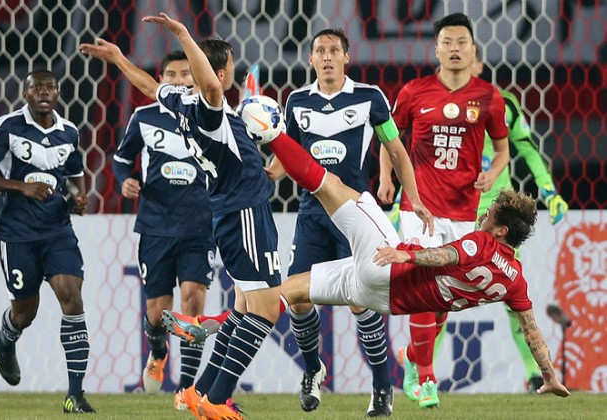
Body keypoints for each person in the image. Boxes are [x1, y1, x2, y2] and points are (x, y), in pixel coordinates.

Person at [166, 130, 571, 404]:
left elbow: (446, 255)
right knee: (282, 295)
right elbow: (531, 329)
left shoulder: (483, 243)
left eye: (490, 216)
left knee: (334, 187)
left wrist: (407, 254)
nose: (482, 219)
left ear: (500, 229)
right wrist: (550, 375)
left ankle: (270, 132)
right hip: (385, 298)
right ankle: (212, 330)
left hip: (389, 266)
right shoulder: (515, 280)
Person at [81, 13, 283, 420]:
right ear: (223, 73)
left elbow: (151, 87)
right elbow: (208, 86)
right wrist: (184, 34)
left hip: (227, 213)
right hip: (243, 213)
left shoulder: (179, 102)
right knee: (265, 310)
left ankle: (198, 392)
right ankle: (215, 400)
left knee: (244, 309)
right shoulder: (209, 107)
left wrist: (120, 59)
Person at [265, 28, 432, 417]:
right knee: (297, 298)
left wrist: (417, 199)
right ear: (310, 59)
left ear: (346, 57)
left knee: (362, 302)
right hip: (310, 214)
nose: (326, 56)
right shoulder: (296, 102)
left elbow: (396, 148)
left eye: (333, 50)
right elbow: (288, 155)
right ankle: (312, 369)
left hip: (356, 217)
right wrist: (269, 173)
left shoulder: (370, 97)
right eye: (319, 50)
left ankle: (380, 385)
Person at [377, 13, 510, 408]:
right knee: (425, 286)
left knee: (445, 296)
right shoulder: (414, 91)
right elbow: (388, 136)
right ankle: (427, 380)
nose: (454, 48)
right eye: (447, 42)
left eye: (461, 42)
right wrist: (386, 177)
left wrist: (493, 175)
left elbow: (502, 149)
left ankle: (413, 358)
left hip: (464, 209)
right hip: (418, 205)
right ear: (436, 48)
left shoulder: (489, 97)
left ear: (473, 49)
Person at [112, 50, 215, 408]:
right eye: (170, 75)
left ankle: (187, 388)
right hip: (156, 226)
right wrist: (124, 180)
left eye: (186, 74)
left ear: (196, 77)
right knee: (157, 314)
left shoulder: (208, 116)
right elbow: (122, 159)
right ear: (161, 79)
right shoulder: (143, 117)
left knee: (193, 303)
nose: (178, 81)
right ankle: (158, 351)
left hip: (200, 225)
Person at [0, 70, 94, 413]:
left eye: (50, 87)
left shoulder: (68, 132)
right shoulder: (8, 126)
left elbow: (75, 176)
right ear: (26, 93)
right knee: (25, 312)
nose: (44, 92)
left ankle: (75, 395)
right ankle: (6, 340)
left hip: (56, 230)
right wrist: (22, 187)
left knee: (72, 299)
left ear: (59, 93)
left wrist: (79, 198)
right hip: (17, 233)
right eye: (37, 87)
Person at [462, 46, 568, 392]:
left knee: (511, 292)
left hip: (496, 210)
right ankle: (422, 376)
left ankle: (533, 372)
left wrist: (549, 191)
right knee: (438, 295)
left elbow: (527, 149)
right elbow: (423, 160)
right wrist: (404, 203)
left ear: (478, 60)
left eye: (467, 51)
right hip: (453, 206)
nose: (461, 59)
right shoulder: (437, 103)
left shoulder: (501, 102)